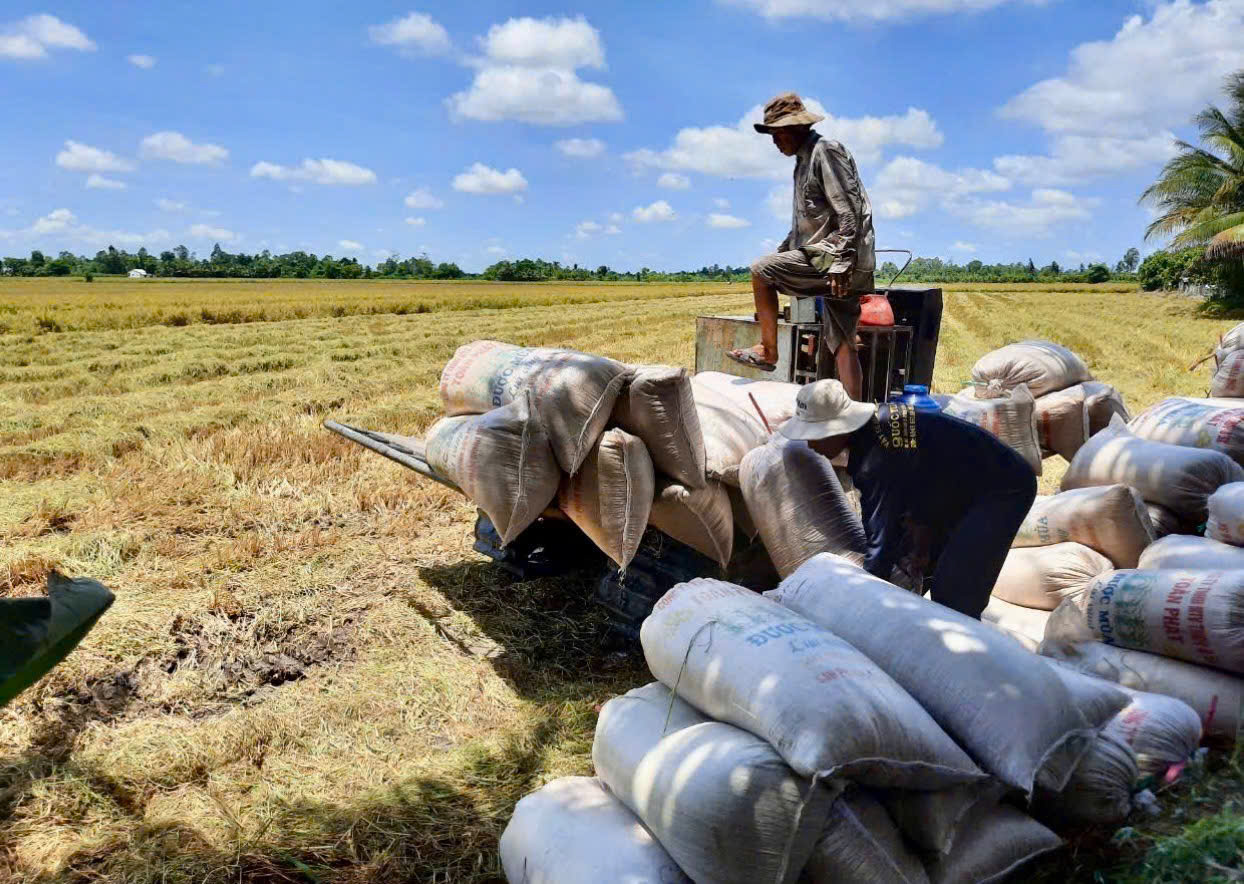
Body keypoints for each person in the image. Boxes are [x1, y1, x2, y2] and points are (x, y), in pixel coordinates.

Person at [780, 379, 1037, 619]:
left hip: (1003, 487)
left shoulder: (874, 460)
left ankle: (962, 657)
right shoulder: (873, 430)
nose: (809, 444)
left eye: (812, 434)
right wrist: (920, 539)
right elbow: (922, 479)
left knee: (955, 594)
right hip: (961, 484)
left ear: (834, 429)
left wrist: (860, 602)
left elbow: (881, 544)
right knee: (923, 563)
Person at [728, 92, 875, 400]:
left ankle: (768, 351)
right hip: (830, 258)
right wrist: (785, 250)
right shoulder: (802, 163)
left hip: (836, 260)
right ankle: (856, 416)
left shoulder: (826, 151)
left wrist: (841, 261)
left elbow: (849, 210)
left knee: (760, 271)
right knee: (845, 342)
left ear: (796, 128)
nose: (775, 142)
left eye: (778, 133)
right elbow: (804, 227)